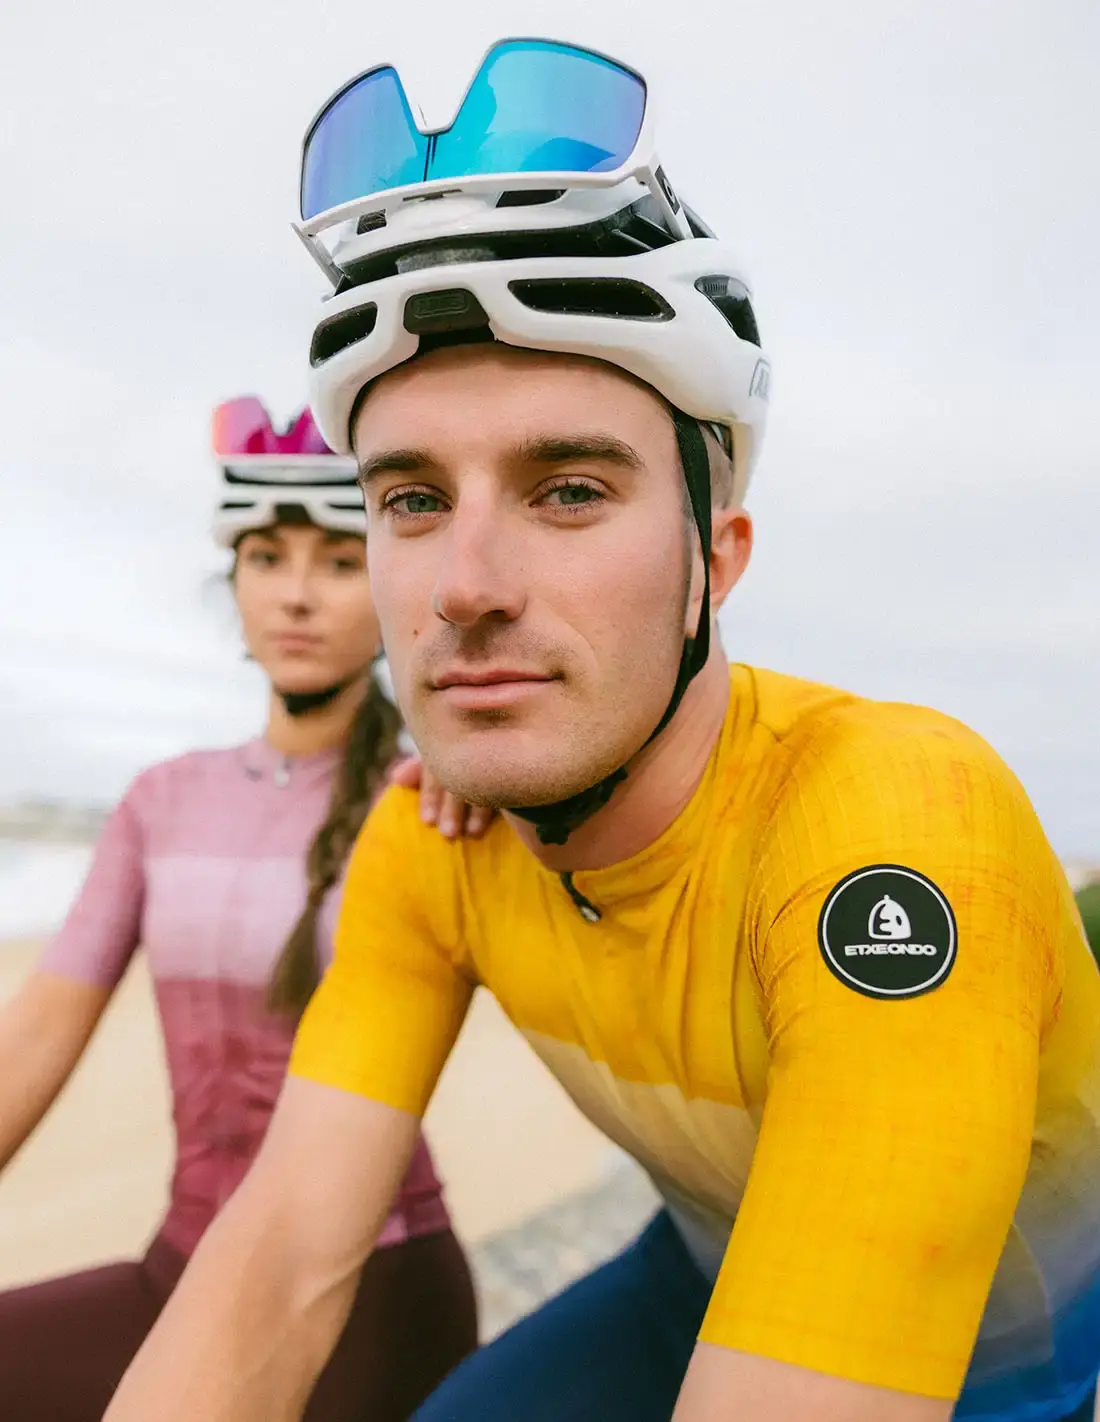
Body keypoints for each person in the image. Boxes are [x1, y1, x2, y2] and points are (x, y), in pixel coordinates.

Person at [105, 39, 1100, 1422]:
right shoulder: (435, 834)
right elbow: (276, 1264)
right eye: (411, 499)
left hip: (1010, 1361)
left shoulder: (896, 822)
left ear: (716, 560)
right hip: (690, 1268)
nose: (464, 588)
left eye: (568, 489)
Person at [0, 398, 483, 1421]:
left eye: (340, 562)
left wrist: (484, 770)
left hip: (371, 1294)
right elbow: (37, 1031)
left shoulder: (432, 800)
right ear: (234, 582)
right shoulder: (160, 800)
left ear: (392, 585)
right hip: (178, 1272)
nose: (297, 595)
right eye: (267, 559)